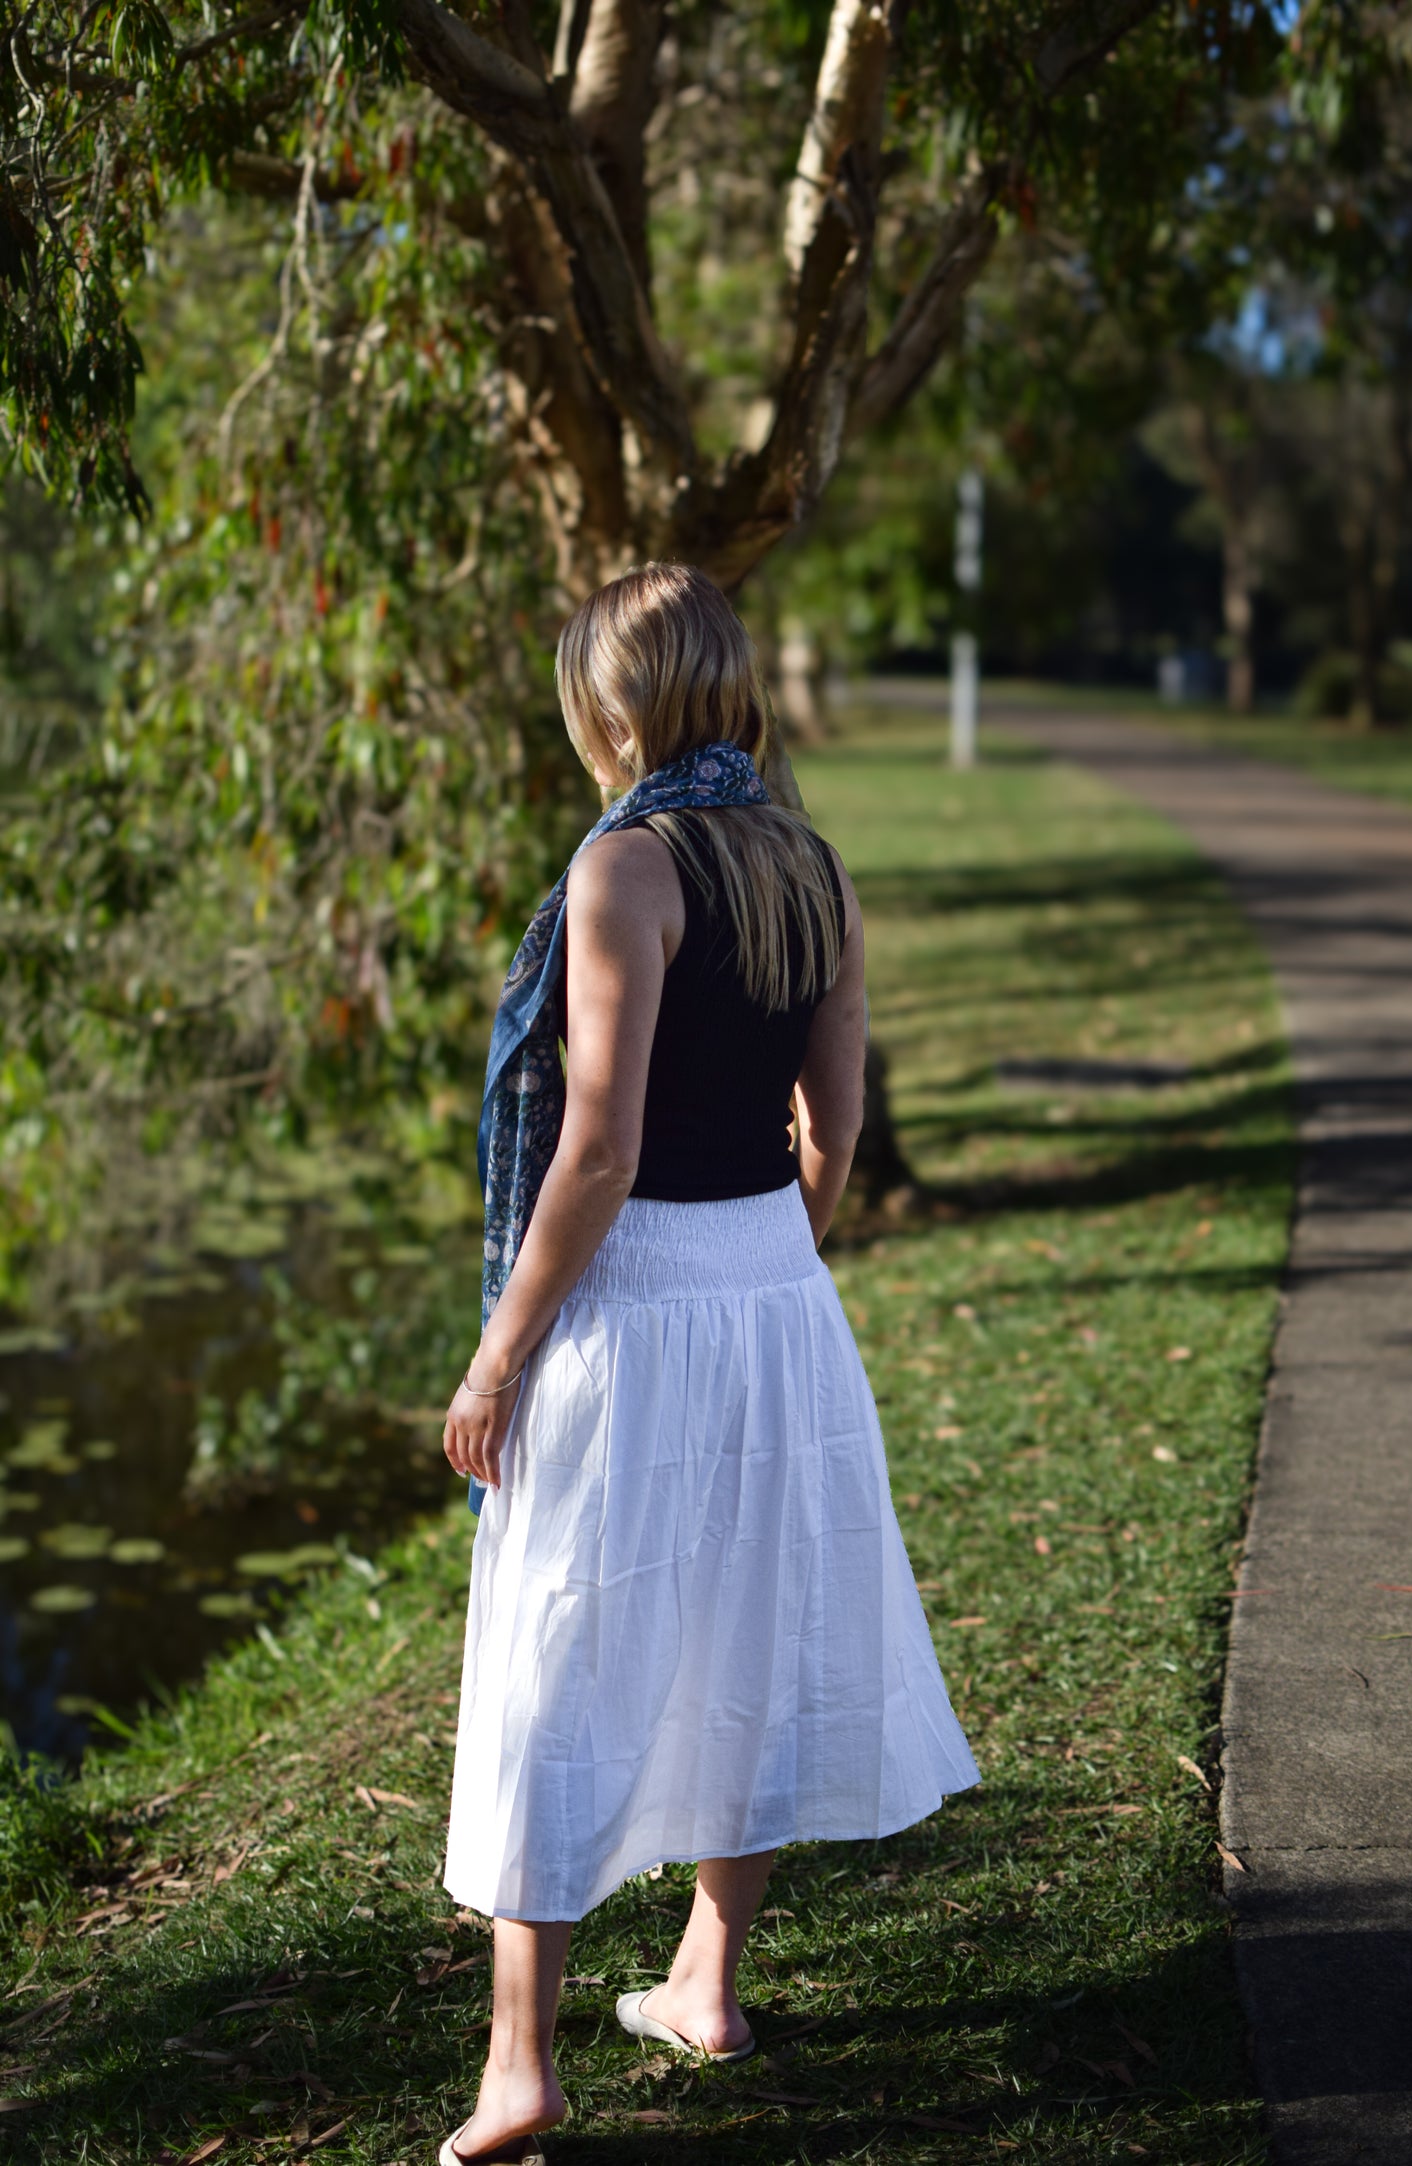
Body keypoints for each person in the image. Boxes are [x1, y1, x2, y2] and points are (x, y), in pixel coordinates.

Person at [439, 563, 979, 2166]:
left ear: (614, 706)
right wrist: (773, 1252)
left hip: (638, 1295)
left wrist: (496, 1355)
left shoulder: (627, 868)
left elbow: (592, 1152)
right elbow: (838, 1129)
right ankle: (704, 1981)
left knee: (553, 1657)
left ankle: (521, 2064)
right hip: (771, 1289)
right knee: (745, 1618)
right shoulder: (809, 862)